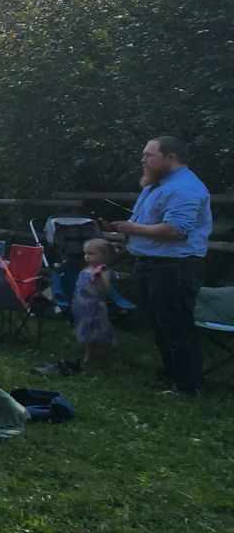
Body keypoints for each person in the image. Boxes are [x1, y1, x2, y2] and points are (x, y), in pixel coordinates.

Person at [107, 136, 213, 397]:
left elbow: (176, 230)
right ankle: (171, 376)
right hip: (150, 264)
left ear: (171, 157)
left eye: (149, 155)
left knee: (176, 325)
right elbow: (146, 223)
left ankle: (188, 386)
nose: (144, 160)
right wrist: (128, 238)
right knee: (159, 324)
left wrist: (133, 229)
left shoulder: (186, 188)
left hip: (174, 267)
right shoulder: (155, 185)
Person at [71, 238, 116, 369]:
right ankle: (88, 352)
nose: (87, 256)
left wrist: (99, 278)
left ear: (104, 256)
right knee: (85, 330)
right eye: (85, 253)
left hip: (95, 306)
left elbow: (105, 289)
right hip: (81, 305)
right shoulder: (85, 269)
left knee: (98, 330)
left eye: (91, 254)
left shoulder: (104, 271)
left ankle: (100, 354)